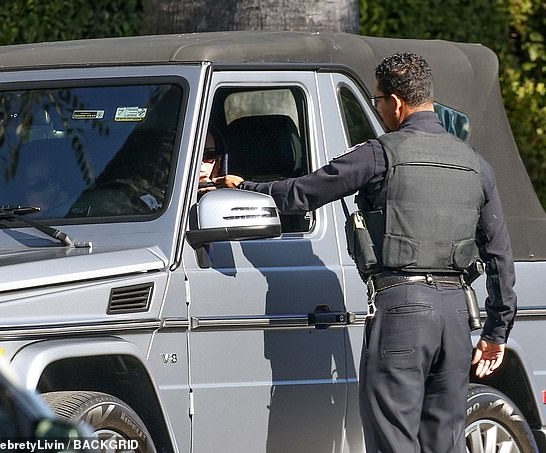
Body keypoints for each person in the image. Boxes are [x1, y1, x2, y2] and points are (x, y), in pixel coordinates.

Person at [215, 53, 516, 452]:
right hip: (458, 317)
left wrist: (242, 187)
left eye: (376, 101)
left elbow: (300, 196)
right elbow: (499, 255)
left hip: (403, 311)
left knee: (393, 437)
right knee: (445, 441)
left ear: (396, 103)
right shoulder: (476, 164)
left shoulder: (379, 154)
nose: (378, 109)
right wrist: (496, 332)